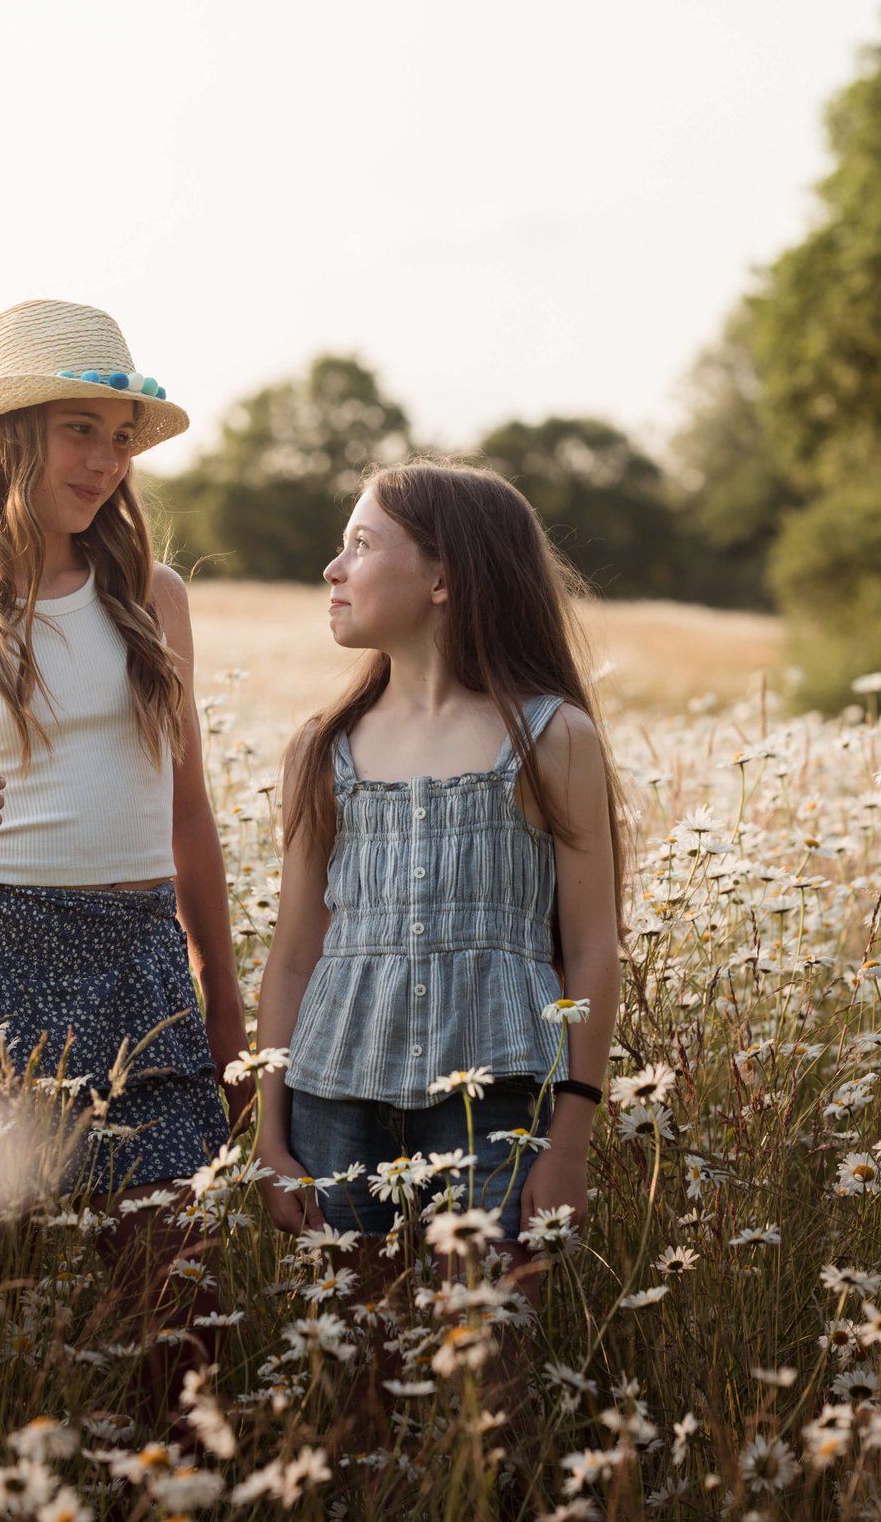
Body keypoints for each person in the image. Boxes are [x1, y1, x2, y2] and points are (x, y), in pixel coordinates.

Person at [0, 297, 250, 1409]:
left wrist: (222, 1000)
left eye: (122, 438)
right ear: (12, 434)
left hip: (140, 964)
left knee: (180, 1315)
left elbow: (187, 819)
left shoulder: (152, 601)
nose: (107, 460)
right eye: (82, 428)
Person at [250, 457, 626, 1437]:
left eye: (361, 543)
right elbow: (293, 954)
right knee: (350, 1373)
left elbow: (590, 949)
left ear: (445, 575)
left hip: (501, 1099)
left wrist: (571, 1137)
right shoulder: (322, 746)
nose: (332, 567)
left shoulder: (550, 736)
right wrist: (269, 1128)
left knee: (482, 1379)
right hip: (334, 1096)